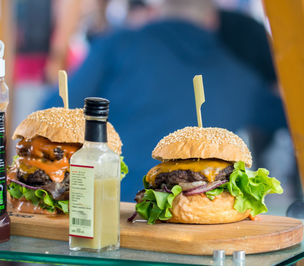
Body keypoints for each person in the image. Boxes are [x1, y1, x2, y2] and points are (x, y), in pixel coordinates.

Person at [42, 0, 285, 201]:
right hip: (192, 231)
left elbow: (49, 117)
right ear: (213, 21)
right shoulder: (243, 79)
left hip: (103, 211)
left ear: (158, 12)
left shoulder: (118, 46)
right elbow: (295, 116)